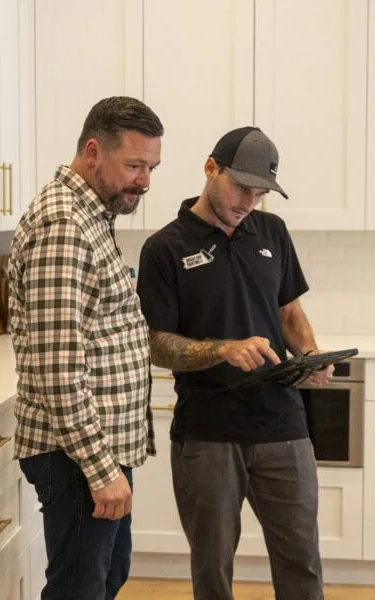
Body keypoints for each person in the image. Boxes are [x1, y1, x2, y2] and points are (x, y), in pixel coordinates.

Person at [136, 126, 333, 600]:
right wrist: (222, 349)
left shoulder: (273, 233)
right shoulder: (165, 249)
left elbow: (289, 311)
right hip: (207, 431)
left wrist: (309, 355)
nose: (250, 200)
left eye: (261, 191)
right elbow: (155, 343)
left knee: (302, 560)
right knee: (212, 570)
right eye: (242, 186)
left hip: (282, 424)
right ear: (210, 169)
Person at [7, 96, 163, 599]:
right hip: (76, 457)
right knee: (79, 589)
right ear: (93, 152)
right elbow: (59, 371)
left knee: (105, 578)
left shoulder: (93, 214)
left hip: (96, 451)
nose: (145, 181)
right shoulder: (65, 226)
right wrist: (101, 470)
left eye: (151, 167)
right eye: (134, 165)